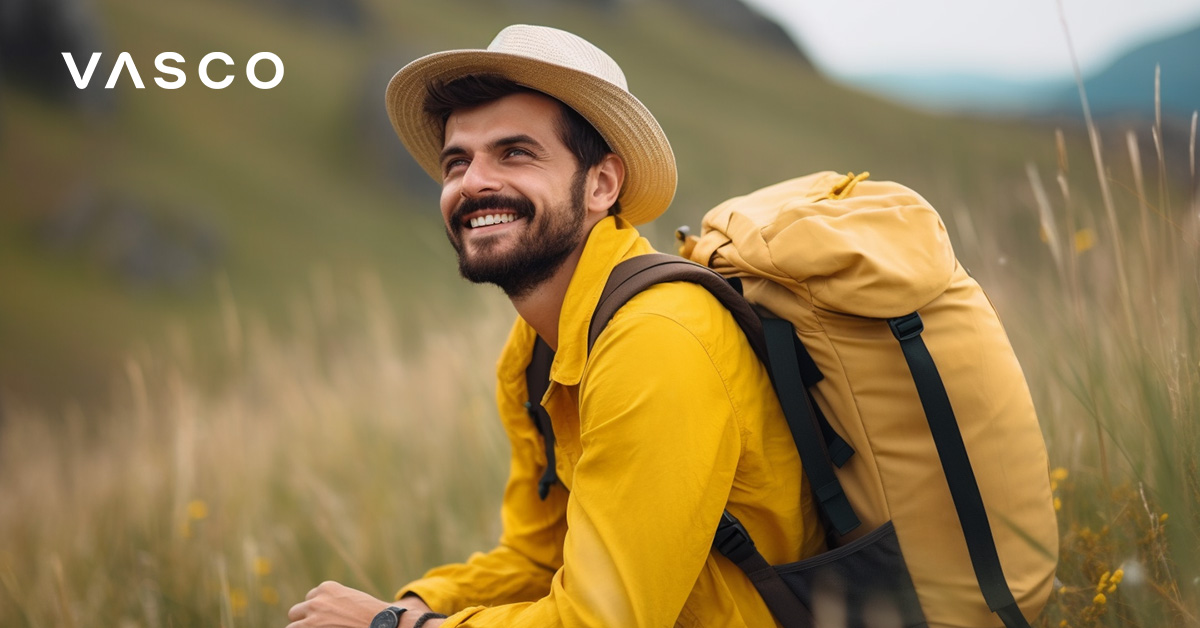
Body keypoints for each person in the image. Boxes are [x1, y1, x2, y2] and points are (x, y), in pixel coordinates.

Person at [285, 24, 824, 628]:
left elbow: (602, 621)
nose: (475, 182)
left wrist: (392, 626)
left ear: (600, 184)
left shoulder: (658, 339)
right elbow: (538, 556)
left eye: (515, 152)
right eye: (457, 161)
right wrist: (417, 604)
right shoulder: (537, 352)